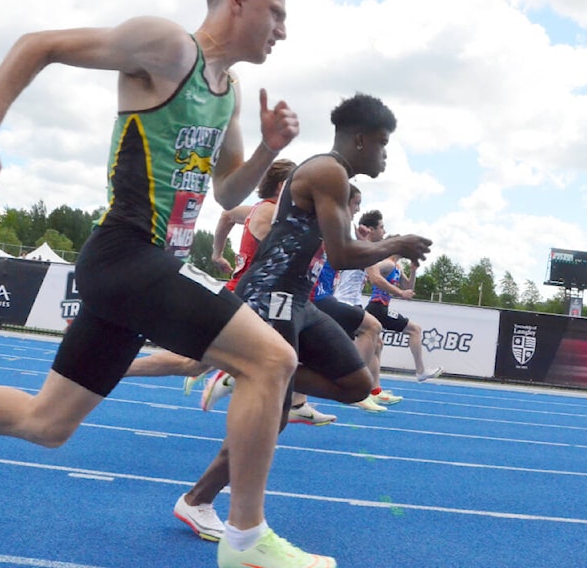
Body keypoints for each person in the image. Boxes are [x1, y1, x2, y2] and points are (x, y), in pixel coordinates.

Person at [0, 0, 333, 568]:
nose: (283, 30)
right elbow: (38, 44)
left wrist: (267, 149)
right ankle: (246, 542)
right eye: (276, 12)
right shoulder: (167, 48)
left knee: (47, 423)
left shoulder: (230, 92)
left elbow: (227, 192)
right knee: (273, 360)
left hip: (144, 270)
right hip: (126, 251)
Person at [175, 93, 432, 543]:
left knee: (356, 385)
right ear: (360, 139)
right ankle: (198, 500)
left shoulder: (334, 178)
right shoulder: (327, 171)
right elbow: (344, 254)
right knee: (270, 419)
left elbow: (341, 251)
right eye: (383, 144)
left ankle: (263, 377)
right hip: (271, 296)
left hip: (299, 300)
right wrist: (398, 244)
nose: (386, 155)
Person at [125, 159, 336, 426]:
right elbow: (287, 247)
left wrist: (216, 252)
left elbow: (226, 214)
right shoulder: (270, 213)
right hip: (252, 298)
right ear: (285, 186)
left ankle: (293, 401)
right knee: (276, 350)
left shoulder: (256, 210)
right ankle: (233, 376)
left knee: (196, 363)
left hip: (252, 294)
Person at [311, 186, 398, 413]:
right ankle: (357, 389)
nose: (358, 209)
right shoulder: (332, 226)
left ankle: (368, 389)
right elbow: (374, 277)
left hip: (327, 295)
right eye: (355, 204)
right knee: (371, 330)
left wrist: (361, 244)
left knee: (373, 339)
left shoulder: (342, 231)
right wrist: (400, 293)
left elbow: (343, 261)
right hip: (327, 297)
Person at [363, 210, 444, 382]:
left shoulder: (397, 267)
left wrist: (413, 271)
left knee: (376, 345)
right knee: (414, 329)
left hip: (380, 308)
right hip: (377, 307)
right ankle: (420, 370)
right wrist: (399, 292)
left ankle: (372, 386)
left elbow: (409, 288)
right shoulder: (387, 264)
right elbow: (374, 274)